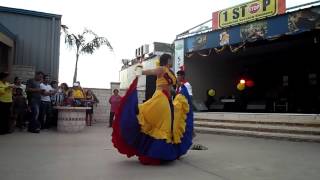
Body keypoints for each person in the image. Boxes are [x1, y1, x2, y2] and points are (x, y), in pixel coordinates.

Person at [112, 54, 193, 165]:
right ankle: (158, 154)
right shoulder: (160, 69)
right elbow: (149, 72)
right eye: (171, 59)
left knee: (167, 125)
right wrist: (139, 71)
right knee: (163, 125)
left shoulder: (170, 72)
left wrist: (179, 93)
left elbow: (171, 88)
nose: (172, 61)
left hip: (168, 100)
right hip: (160, 99)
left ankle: (161, 152)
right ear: (167, 60)